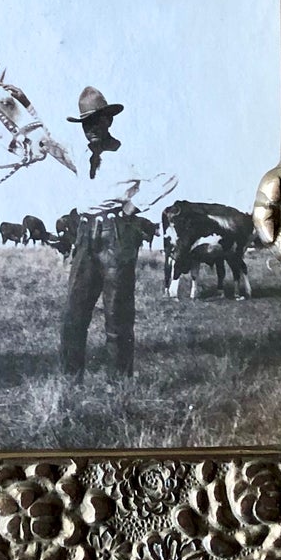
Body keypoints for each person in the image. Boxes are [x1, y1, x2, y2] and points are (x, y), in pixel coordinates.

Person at [60, 87, 177, 380]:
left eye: (96, 122)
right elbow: (49, 145)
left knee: (117, 314)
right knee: (74, 314)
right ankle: (71, 382)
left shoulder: (128, 154)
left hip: (116, 237)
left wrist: (134, 204)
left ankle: (120, 385)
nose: (91, 130)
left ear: (108, 121)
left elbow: (168, 176)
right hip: (85, 235)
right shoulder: (79, 154)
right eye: (86, 124)